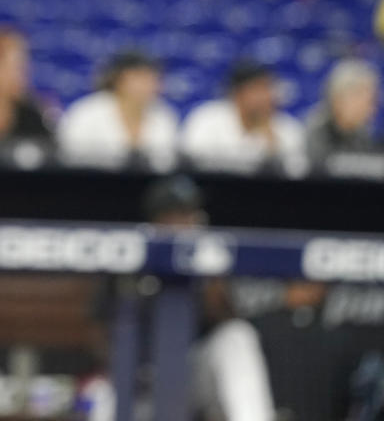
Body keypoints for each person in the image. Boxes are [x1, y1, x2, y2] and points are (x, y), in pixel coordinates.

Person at [141, 176, 276, 421]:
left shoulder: (208, 255)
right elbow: (101, 326)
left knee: (237, 336)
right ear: (158, 219)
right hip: (144, 375)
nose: (184, 222)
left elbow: (225, 314)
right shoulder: (137, 253)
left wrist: (208, 269)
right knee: (105, 399)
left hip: (192, 371)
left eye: (189, 214)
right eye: (176, 215)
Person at [180, 60, 308, 176]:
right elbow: (190, 161)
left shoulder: (288, 128)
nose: (266, 97)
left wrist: (273, 147)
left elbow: (297, 172)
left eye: (268, 89)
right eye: (257, 89)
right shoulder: (206, 119)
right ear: (237, 93)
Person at [58, 51, 178, 171]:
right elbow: (69, 158)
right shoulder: (87, 112)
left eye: (154, 78)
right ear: (119, 79)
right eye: (141, 77)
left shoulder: (164, 115)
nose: (151, 84)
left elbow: (168, 164)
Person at [305, 58, 380, 170]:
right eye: (368, 102)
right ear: (340, 99)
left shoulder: (362, 134)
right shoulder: (317, 130)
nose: (372, 110)